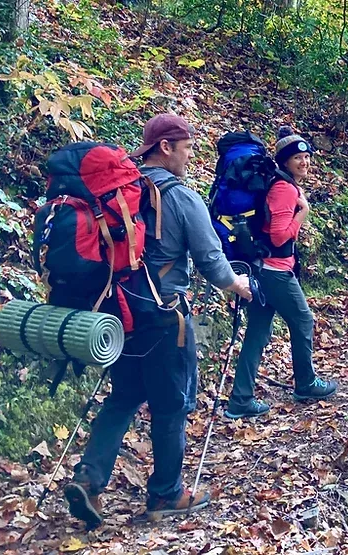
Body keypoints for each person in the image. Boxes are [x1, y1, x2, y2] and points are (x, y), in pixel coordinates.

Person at [64, 114, 252, 529]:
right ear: (165, 147)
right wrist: (237, 285)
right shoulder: (181, 196)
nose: (190, 154)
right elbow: (210, 259)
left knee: (123, 397)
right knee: (172, 406)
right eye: (186, 146)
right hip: (166, 317)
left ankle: (89, 479)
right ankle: (167, 493)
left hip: (119, 313)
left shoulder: (118, 193)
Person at [224, 126, 338, 420]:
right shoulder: (284, 189)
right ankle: (306, 383)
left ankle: (240, 400)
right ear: (284, 161)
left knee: (257, 333)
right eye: (297, 157)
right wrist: (302, 215)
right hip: (274, 272)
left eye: (307, 157)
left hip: (260, 269)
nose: (304, 162)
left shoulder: (279, 184)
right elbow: (278, 236)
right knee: (303, 320)